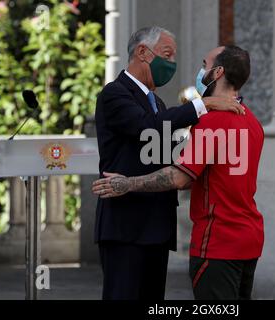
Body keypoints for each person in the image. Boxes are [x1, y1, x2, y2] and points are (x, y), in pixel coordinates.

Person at [93, 45, 265, 300]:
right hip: (249, 238)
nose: (200, 70)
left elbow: (180, 177)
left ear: (217, 73)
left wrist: (128, 183)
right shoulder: (252, 121)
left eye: (204, 64)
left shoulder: (210, 121)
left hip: (218, 240)